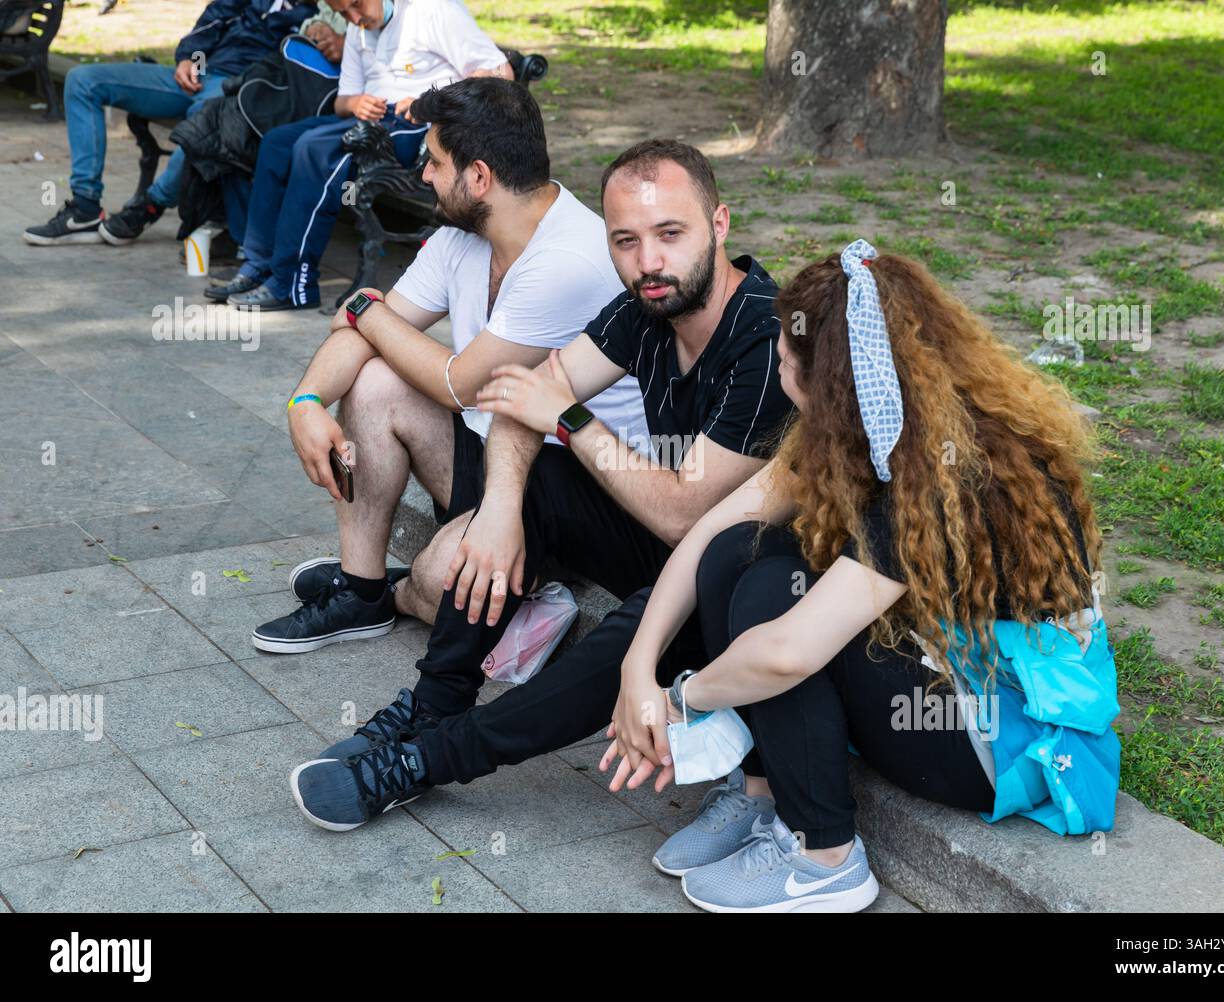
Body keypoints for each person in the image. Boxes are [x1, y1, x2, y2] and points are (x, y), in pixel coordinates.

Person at [286, 139, 795, 832]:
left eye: (670, 234)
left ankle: (428, 760)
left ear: (720, 224)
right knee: (533, 482)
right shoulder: (645, 308)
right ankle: (437, 701)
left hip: (747, 592)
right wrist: (497, 511)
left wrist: (569, 421)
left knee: (628, 629)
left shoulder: (765, 337)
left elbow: (681, 512)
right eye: (626, 240)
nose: (648, 262)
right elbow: (529, 393)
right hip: (675, 546)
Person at [598, 240, 1116, 913]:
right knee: (743, 551)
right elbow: (711, 532)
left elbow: (790, 652)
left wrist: (679, 699)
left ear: (835, 386)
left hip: (998, 732)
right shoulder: (880, 421)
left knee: (777, 607)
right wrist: (636, 665)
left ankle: (825, 860)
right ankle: (764, 798)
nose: (776, 362)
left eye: (785, 358)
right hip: (949, 661)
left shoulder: (938, 477)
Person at [252, 78, 648, 652]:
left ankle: (400, 591)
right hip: (491, 454)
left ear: (480, 176)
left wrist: (365, 307)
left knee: (441, 581)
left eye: (435, 162)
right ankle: (361, 591)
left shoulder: (568, 257)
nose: (424, 176)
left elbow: (457, 383)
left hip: (568, 492)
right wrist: (305, 401)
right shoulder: (466, 232)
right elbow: (362, 333)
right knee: (375, 378)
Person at [218, 0, 512, 310]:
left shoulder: (433, 10)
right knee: (277, 143)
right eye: (344, 13)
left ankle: (291, 283)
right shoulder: (359, 30)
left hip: (417, 123)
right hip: (366, 117)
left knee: (314, 150)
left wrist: (433, 100)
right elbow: (342, 101)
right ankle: (257, 264)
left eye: (357, 5)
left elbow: (500, 74)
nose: (355, 19)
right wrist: (355, 103)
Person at [22, 0, 316, 246]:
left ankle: (151, 204)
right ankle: (85, 207)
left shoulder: (316, 16)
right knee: (83, 81)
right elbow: (212, 20)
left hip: (240, 88)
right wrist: (189, 59)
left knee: (203, 121)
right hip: (199, 75)